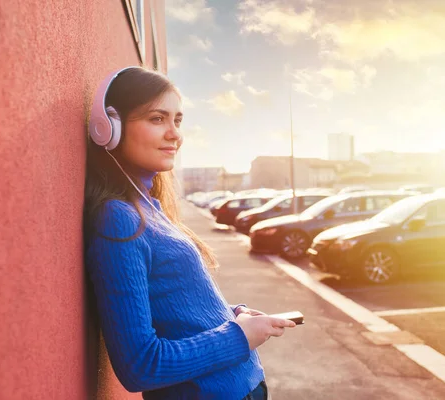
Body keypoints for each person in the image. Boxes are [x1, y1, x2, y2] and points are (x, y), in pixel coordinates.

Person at [84, 66, 296, 400]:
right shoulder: (118, 219)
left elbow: (178, 309)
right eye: (157, 119)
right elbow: (141, 365)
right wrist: (239, 337)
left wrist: (233, 315)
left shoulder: (150, 208)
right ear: (110, 127)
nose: (175, 135)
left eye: (177, 120)